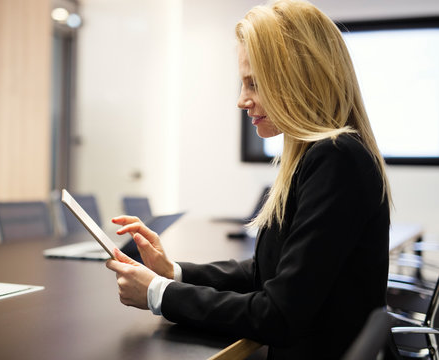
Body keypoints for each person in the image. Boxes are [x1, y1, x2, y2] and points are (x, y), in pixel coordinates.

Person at [106, 0, 392, 358]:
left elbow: (279, 315)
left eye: (254, 83)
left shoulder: (336, 158)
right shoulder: (321, 156)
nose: (242, 100)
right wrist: (173, 272)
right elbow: (267, 271)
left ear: (299, 79)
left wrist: (158, 293)